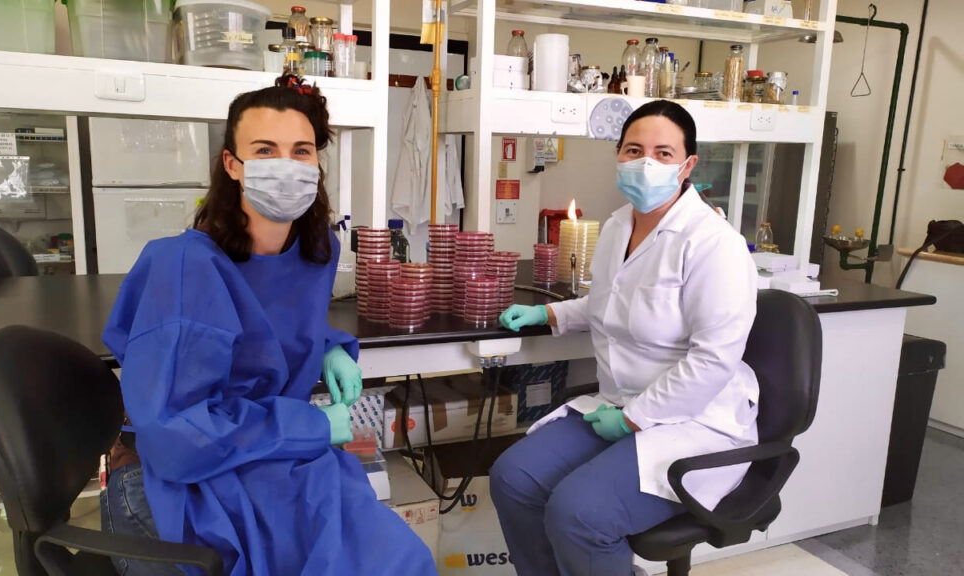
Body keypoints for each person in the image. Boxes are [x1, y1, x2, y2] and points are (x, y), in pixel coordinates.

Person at [101, 75, 437, 576]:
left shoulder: (315, 251)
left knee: (401, 561)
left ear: (318, 164)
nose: (285, 165)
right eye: (265, 149)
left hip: (276, 454)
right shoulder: (186, 267)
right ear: (233, 165)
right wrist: (312, 425)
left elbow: (270, 328)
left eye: (301, 151)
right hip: (203, 469)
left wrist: (329, 348)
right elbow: (175, 431)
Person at [491, 100, 759, 576]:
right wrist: (546, 312)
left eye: (663, 153)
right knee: (513, 478)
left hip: (693, 422)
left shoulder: (714, 244)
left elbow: (713, 361)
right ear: (617, 155)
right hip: (618, 405)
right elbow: (610, 305)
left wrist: (634, 419)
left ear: (688, 165)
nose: (646, 163)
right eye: (634, 150)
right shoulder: (617, 227)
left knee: (579, 513)